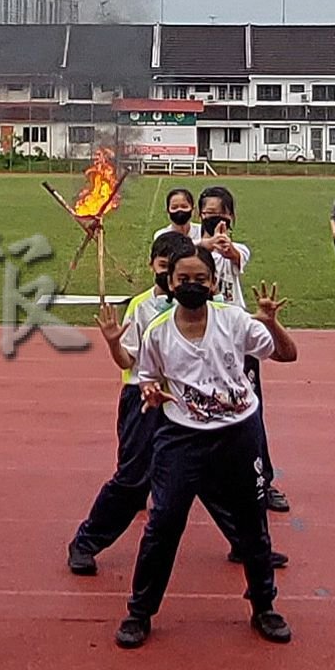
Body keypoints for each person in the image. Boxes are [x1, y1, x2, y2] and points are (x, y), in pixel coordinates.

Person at [114, 246, 297, 650]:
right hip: (181, 439)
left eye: (200, 280)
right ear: (170, 283)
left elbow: (287, 354)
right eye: (183, 280)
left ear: (214, 283)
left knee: (252, 526)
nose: (192, 286)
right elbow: (147, 376)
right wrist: (151, 392)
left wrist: (272, 323)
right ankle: (139, 612)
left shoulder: (235, 322)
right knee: (162, 526)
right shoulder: (158, 331)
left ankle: (264, 606)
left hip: (238, 434)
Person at [67, 232, 189, 574]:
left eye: (176, 270)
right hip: (145, 400)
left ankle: (249, 544)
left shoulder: (196, 306)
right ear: (153, 265)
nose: (169, 276)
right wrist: (112, 344)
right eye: (163, 267)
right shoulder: (141, 306)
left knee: (216, 476)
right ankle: (86, 542)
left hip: (187, 400)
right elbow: (127, 362)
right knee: (134, 478)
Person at [185, 186, 289, 513]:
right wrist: (204, 244)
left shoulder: (236, 248)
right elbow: (175, 256)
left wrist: (225, 246)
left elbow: (236, 256)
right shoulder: (191, 248)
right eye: (207, 212)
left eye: (220, 212)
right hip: (200, 339)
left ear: (230, 216)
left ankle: (262, 480)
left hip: (235, 338)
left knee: (249, 409)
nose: (213, 218)